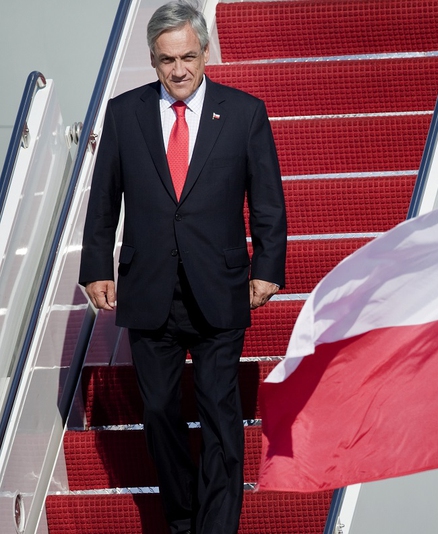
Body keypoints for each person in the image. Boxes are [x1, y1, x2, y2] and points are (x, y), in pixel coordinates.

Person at [78, 1, 286, 532]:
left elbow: (267, 200)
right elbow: (104, 199)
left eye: (189, 56)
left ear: (206, 52)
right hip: (150, 290)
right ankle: (182, 517)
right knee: (159, 415)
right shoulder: (124, 114)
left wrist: (267, 267)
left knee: (220, 414)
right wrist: (97, 266)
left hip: (220, 286)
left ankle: (218, 525)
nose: (180, 70)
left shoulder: (244, 113)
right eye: (168, 59)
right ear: (152, 59)